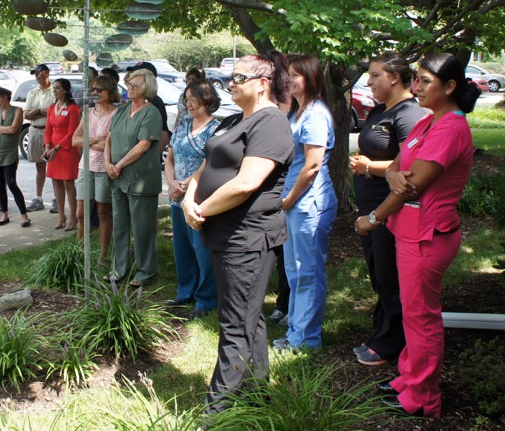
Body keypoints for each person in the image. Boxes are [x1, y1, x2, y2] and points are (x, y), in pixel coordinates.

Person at [356, 53, 480, 418]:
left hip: (428, 236)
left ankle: (424, 397)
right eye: (418, 80)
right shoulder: (428, 123)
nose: (417, 86)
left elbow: (414, 184)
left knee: (422, 318)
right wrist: (396, 176)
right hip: (410, 232)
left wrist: (374, 217)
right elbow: (398, 167)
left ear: (450, 87)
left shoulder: (451, 128)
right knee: (412, 314)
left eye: (426, 81)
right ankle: (409, 377)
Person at [181, 53, 294, 416]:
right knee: (248, 318)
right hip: (222, 232)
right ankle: (258, 398)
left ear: (263, 83)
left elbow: (247, 184)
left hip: (248, 237)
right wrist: (188, 198)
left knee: (234, 325)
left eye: (239, 77)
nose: (230, 83)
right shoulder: (233, 119)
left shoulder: (271, 123)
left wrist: (202, 209)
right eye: (230, 77)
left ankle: (217, 413)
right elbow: (205, 166)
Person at [349, 55, 425, 366]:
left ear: (395, 77)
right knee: (379, 274)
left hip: (390, 208)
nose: (369, 82)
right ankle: (382, 331)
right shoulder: (381, 110)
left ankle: (391, 344)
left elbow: (412, 168)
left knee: (390, 275)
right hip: (371, 205)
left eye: (375, 75)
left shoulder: (409, 114)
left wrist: (368, 167)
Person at [276, 54, 337, 351]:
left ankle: (307, 339)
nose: (289, 81)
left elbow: (311, 166)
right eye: (288, 75)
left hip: (308, 202)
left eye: (295, 75)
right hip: (295, 202)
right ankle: (295, 332)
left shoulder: (315, 114)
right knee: (295, 271)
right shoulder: (298, 112)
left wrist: (288, 199)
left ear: (311, 78)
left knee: (308, 271)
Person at [165, 79, 220, 320]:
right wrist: (171, 183)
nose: (189, 104)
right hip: (176, 196)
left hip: (198, 198)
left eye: (193, 99)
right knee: (182, 249)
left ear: (207, 100)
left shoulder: (217, 129)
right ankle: (185, 292)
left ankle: (206, 300)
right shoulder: (183, 124)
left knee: (202, 250)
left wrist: (185, 185)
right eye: (186, 99)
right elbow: (170, 158)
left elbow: (210, 164)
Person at [104, 68, 162, 286]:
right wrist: (108, 163)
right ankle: (119, 269)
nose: (130, 88)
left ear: (146, 88)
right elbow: (108, 138)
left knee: (142, 227)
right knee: (119, 225)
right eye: (128, 84)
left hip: (140, 179)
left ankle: (145, 271)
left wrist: (118, 165)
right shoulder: (121, 110)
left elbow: (144, 145)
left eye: (135, 86)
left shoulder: (151, 113)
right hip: (117, 177)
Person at [72, 74, 118, 262]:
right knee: (80, 213)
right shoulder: (88, 113)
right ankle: (81, 252)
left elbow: (113, 144)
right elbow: (74, 140)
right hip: (85, 166)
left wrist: (88, 142)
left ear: (109, 92)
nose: (95, 93)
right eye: (93, 90)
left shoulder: (117, 114)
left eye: (99, 90)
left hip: (104, 168)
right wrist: (97, 141)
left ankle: (103, 255)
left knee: (102, 212)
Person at [0, 87, 31, 227]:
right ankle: (4, 214)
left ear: (6, 96)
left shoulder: (17, 110)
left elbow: (13, 129)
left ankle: (24, 216)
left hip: (9, 153)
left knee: (11, 183)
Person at [44, 78, 81, 230]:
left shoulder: (73, 108)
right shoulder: (52, 108)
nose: (55, 91)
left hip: (66, 149)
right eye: (54, 88)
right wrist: (47, 146)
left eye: (58, 88)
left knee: (68, 183)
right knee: (56, 182)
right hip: (53, 150)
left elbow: (72, 132)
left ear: (65, 90)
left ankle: (74, 217)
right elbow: (48, 130)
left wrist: (56, 148)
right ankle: (61, 216)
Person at [23, 64, 55, 212]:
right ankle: (38, 198)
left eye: (39, 73)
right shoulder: (32, 92)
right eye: (35, 74)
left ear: (46, 73)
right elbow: (26, 114)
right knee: (39, 165)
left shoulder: (55, 90)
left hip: (51, 131)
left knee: (54, 166)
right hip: (35, 131)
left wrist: (36, 111)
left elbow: (54, 111)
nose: (37, 76)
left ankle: (56, 198)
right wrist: (40, 111)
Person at [125, 61, 170, 151]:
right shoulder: (129, 104)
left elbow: (164, 132)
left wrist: (155, 157)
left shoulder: (154, 102)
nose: (133, 77)